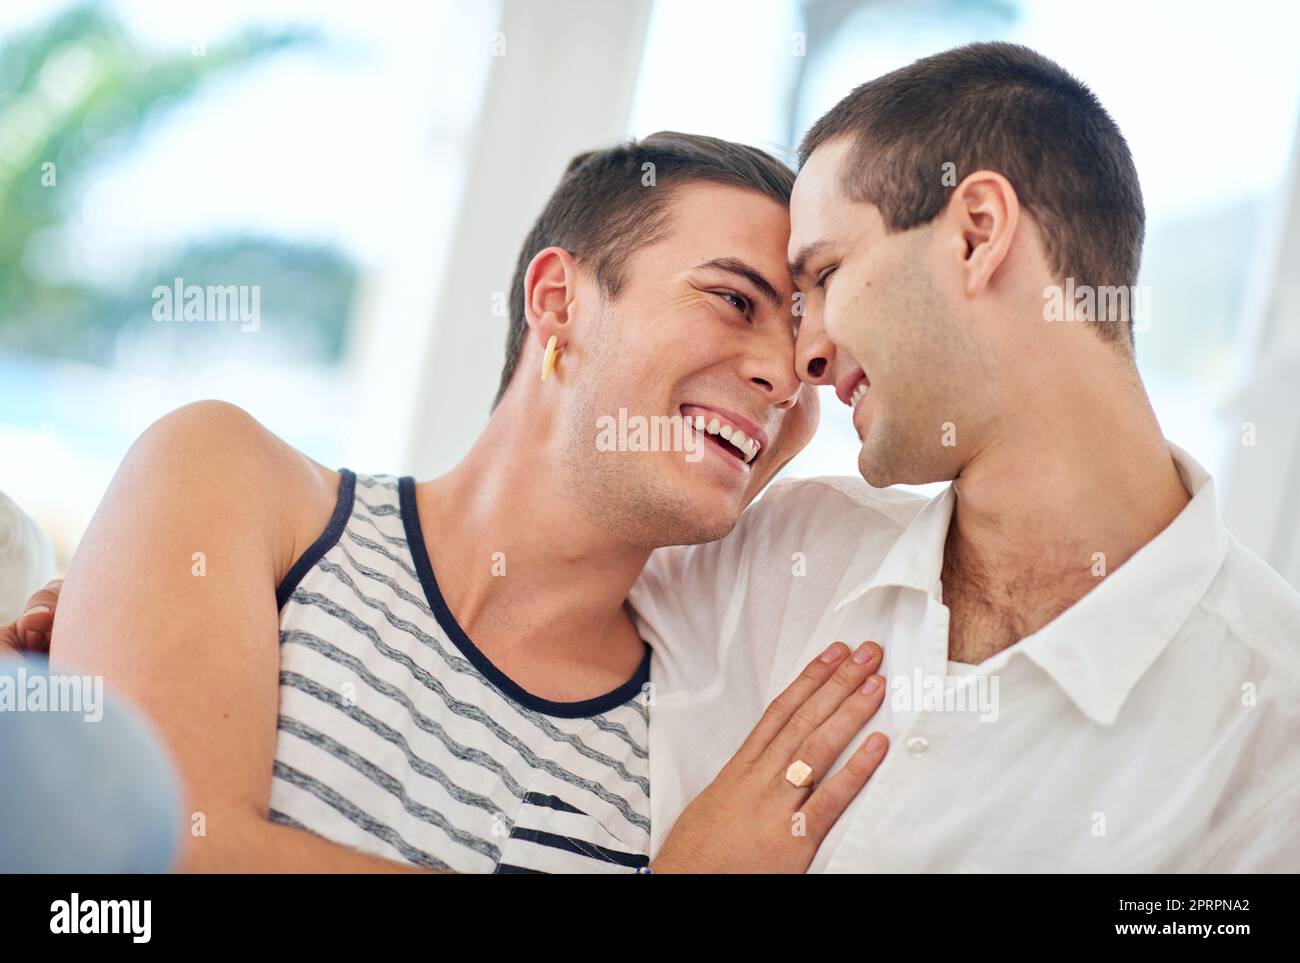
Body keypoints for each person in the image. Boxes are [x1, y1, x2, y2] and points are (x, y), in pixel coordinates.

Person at [16, 132, 890, 873]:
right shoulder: (236, 482)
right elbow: (139, 868)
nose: (784, 379)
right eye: (736, 300)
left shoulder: (703, 747)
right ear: (558, 301)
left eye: (812, 353)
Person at [633, 42, 1300, 871]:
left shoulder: (1276, 741)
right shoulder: (780, 554)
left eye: (828, 274)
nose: (803, 356)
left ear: (978, 234)